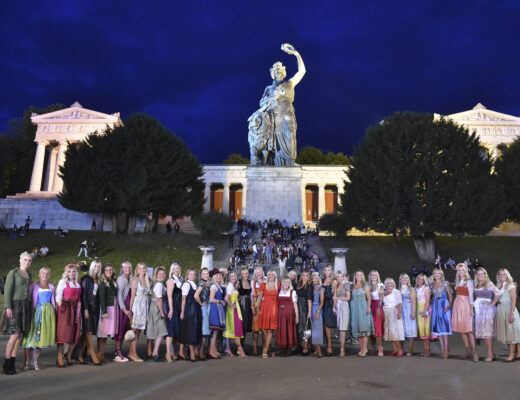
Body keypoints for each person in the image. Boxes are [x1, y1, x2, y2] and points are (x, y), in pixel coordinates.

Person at [2, 252, 32, 374]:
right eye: (25, 260)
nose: (27, 262)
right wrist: (7, 307)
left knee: (19, 335)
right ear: (20, 260)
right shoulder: (13, 273)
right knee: (14, 335)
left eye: (29, 260)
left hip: (25, 306)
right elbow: (7, 291)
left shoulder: (29, 274)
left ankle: (12, 362)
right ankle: (7, 362)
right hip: (15, 306)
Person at [22, 267, 55, 371]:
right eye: (43, 273)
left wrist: (54, 311)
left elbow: (53, 300)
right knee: (32, 336)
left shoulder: (51, 286)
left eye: (47, 273)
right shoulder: (34, 286)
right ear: (39, 274)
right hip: (36, 312)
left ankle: (35, 360)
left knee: (42, 337)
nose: (45, 275)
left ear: (49, 275)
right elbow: (29, 299)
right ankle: (26, 361)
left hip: (47, 313)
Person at [56, 264, 82, 368]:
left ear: (76, 272)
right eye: (69, 271)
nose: (71, 273)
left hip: (76, 309)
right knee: (62, 334)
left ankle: (68, 355)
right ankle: (59, 357)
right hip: (65, 309)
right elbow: (58, 296)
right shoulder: (63, 282)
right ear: (66, 272)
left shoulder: (78, 282)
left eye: (73, 271)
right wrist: (62, 307)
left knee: (74, 333)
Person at [452, 263, 478, 361]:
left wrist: (471, 309)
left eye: (462, 270)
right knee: (462, 329)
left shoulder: (469, 282)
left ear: (466, 271)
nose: (461, 272)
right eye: (459, 270)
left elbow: (471, 296)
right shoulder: (458, 281)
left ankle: (474, 352)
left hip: (466, 305)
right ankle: (467, 351)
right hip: (458, 305)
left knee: (469, 329)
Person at [473, 267, 500, 362]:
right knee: (484, 334)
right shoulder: (476, 284)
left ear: (485, 274)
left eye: (482, 274)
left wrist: (492, 303)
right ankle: (491, 353)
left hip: (487, 310)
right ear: (476, 275)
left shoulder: (488, 283)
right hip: (479, 310)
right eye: (478, 274)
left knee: (488, 332)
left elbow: (498, 293)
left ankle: (490, 354)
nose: (480, 275)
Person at [78, 260, 101, 365]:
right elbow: (83, 296)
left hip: (95, 309)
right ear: (92, 267)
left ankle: (77, 355)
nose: (97, 268)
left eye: (99, 266)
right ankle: (93, 354)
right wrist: (85, 309)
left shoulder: (98, 279)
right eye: (95, 266)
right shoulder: (86, 278)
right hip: (87, 308)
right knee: (88, 331)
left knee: (85, 333)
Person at [496, 268, 520, 362]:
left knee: (511, 333)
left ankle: (511, 355)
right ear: (498, 276)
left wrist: (511, 314)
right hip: (501, 309)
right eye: (500, 274)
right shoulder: (498, 285)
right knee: (511, 332)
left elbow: (514, 301)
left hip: (509, 309)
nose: (502, 276)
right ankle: (518, 353)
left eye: (504, 274)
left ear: (507, 275)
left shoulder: (510, 286)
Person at [128, 262, 151, 362]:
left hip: (144, 307)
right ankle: (133, 353)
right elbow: (132, 296)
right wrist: (130, 309)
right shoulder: (135, 280)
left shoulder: (147, 280)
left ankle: (131, 353)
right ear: (137, 270)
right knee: (135, 331)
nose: (142, 270)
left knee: (138, 331)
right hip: (137, 307)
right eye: (140, 268)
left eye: (143, 268)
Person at [96, 263, 118, 363]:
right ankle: (99, 354)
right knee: (102, 333)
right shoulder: (103, 282)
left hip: (112, 308)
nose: (108, 272)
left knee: (106, 334)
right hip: (106, 309)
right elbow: (101, 298)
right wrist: (104, 311)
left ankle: (101, 353)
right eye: (106, 270)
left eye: (110, 270)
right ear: (103, 272)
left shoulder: (112, 281)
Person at [179, 269, 202, 361]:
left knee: (190, 330)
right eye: (190, 274)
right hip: (189, 310)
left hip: (194, 309)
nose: (192, 276)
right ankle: (191, 352)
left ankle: (184, 351)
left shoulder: (194, 285)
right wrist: (182, 312)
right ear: (187, 275)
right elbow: (183, 299)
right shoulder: (186, 284)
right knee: (190, 331)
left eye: (194, 274)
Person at [350, 270, 374, 356]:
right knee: (358, 330)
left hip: (363, 308)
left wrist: (368, 307)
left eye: (360, 275)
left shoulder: (365, 285)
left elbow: (369, 298)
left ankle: (364, 350)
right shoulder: (352, 285)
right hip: (354, 309)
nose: (359, 276)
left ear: (363, 276)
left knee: (364, 329)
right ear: (355, 276)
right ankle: (362, 348)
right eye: (357, 275)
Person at [223, 271, 247, 358]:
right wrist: (231, 305)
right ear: (229, 278)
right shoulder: (230, 286)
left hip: (236, 308)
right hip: (232, 310)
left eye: (234, 275)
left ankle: (235, 349)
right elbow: (226, 298)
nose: (233, 277)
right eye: (231, 276)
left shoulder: (234, 285)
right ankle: (240, 350)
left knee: (236, 328)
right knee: (237, 329)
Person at [430, 268, 453, 358]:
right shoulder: (431, 285)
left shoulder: (445, 283)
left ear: (441, 274)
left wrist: (450, 305)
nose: (437, 275)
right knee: (438, 328)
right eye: (435, 273)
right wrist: (431, 305)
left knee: (444, 327)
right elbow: (432, 296)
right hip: (435, 305)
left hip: (443, 305)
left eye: (438, 273)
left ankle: (446, 348)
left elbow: (450, 295)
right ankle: (442, 348)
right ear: (433, 275)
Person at [258, 270, 280, 358]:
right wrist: (257, 309)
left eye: (272, 274)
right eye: (269, 274)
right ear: (267, 276)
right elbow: (259, 298)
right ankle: (271, 350)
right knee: (264, 330)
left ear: (275, 276)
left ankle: (265, 350)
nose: (271, 276)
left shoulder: (278, 284)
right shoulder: (263, 284)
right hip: (264, 307)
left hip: (274, 308)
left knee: (270, 329)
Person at [148, 267, 168, 362]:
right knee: (162, 329)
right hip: (156, 307)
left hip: (155, 306)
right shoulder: (159, 285)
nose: (162, 275)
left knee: (159, 330)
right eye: (160, 274)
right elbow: (159, 299)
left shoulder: (160, 284)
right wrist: (162, 312)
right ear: (156, 275)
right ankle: (154, 352)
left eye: (163, 274)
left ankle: (155, 352)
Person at [275, 276, 298, 356]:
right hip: (280, 315)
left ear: (289, 283)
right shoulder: (279, 291)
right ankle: (282, 349)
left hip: (289, 316)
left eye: (287, 282)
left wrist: (297, 316)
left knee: (289, 331)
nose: (285, 284)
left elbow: (295, 305)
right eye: (284, 282)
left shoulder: (293, 292)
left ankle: (289, 349)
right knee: (281, 331)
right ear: (282, 283)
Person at [114, 262, 132, 362]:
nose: (127, 269)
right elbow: (119, 294)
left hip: (127, 308)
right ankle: (117, 352)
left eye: (129, 267)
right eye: (125, 267)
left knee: (124, 330)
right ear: (122, 268)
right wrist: (124, 309)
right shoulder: (121, 278)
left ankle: (119, 350)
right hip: (123, 308)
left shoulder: (129, 278)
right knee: (120, 331)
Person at [165, 262, 183, 360]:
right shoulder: (171, 281)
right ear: (171, 270)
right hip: (172, 306)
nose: (176, 270)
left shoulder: (181, 279)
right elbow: (169, 296)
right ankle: (168, 353)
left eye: (178, 268)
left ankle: (173, 352)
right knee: (171, 329)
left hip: (179, 306)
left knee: (176, 330)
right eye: (174, 268)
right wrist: (171, 310)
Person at [382, 278, 404, 357]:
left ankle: (400, 350)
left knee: (394, 332)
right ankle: (395, 349)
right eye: (387, 283)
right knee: (389, 332)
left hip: (393, 312)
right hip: (386, 313)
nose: (389, 285)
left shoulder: (396, 292)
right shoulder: (384, 292)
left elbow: (400, 303)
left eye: (391, 283)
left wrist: (399, 313)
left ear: (393, 284)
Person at [208, 269, 226, 359]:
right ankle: (211, 352)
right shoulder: (214, 286)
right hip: (215, 309)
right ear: (214, 277)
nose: (219, 277)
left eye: (220, 275)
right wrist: (220, 301)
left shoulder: (218, 286)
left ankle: (214, 350)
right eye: (217, 276)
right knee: (214, 332)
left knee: (216, 332)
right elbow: (211, 299)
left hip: (218, 309)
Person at [194, 268, 211, 360]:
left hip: (205, 307)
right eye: (204, 274)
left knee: (203, 330)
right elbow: (196, 295)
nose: (206, 275)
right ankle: (200, 351)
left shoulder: (205, 283)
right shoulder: (201, 283)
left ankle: (198, 351)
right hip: (203, 307)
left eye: (207, 274)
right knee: (204, 330)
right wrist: (201, 303)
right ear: (201, 275)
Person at [398, 273, 417, 356]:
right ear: (400, 279)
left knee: (411, 330)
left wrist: (413, 312)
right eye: (403, 278)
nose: (405, 279)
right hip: (400, 311)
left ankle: (410, 350)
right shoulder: (398, 289)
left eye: (406, 278)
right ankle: (400, 349)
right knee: (401, 330)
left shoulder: (411, 289)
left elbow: (413, 302)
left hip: (409, 310)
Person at [333, 271, 351, 357]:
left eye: (341, 277)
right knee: (339, 328)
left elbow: (348, 298)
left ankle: (342, 348)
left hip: (344, 306)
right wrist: (334, 306)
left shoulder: (346, 285)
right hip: (337, 306)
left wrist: (337, 298)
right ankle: (341, 346)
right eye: (338, 277)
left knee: (342, 329)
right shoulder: (336, 285)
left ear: (344, 277)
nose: (339, 278)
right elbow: (334, 297)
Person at [415, 273, 432, 356]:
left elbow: (428, 301)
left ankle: (428, 350)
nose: (420, 280)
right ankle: (425, 349)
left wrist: (425, 311)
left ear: (424, 280)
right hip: (419, 309)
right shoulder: (416, 288)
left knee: (426, 330)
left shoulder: (426, 288)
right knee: (422, 330)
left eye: (422, 279)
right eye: (419, 279)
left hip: (425, 308)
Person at [296, 271, 312, 355]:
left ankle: (306, 345)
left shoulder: (308, 287)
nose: (305, 277)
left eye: (307, 276)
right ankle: (299, 345)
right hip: (298, 307)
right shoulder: (298, 285)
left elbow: (309, 300)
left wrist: (309, 311)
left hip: (304, 307)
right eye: (303, 275)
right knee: (299, 327)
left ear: (309, 277)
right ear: (301, 276)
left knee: (306, 327)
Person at [368, 270, 385, 357]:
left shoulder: (380, 285)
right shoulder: (367, 285)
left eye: (375, 275)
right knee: (371, 328)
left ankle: (380, 348)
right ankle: (372, 347)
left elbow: (381, 298)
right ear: (370, 276)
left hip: (377, 307)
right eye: (372, 275)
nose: (374, 276)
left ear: (377, 276)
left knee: (378, 328)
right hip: (369, 307)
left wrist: (378, 308)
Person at [321, 265, 336, 356]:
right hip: (321, 304)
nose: (327, 272)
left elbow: (334, 295)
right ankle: (322, 345)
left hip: (329, 305)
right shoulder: (321, 281)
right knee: (322, 325)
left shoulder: (333, 281)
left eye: (329, 270)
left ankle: (329, 345)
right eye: (325, 270)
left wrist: (334, 306)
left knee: (327, 325)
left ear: (331, 271)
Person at [251, 267, 265, 355]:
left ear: (263, 272)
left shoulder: (266, 280)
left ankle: (265, 347)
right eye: (257, 272)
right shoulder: (253, 282)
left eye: (260, 272)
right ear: (255, 274)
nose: (259, 273)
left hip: (265, 305)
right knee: (256, 328)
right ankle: (255, 347)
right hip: (256, 305)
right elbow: (252, 295)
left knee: (265, 327)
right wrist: (253, 306)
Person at [310, 272, 324, 357]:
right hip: (311, 308)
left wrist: (318, 312)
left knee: (318, 330)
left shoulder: (321, 289)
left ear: (319, 279)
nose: (314, 280)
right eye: (313, 278)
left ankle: (319, 351)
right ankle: (316, 349)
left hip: (317, 309)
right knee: (313, 330)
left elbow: (322, 302)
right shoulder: (311, 288)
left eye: (316, 278)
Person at [237, 268, 252, 344]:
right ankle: (239, 344)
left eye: (246, 273)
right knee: (242, 323)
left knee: (246, 324)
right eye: (243, 273)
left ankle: (242, 344)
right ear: (241, 274)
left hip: (248, 303)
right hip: (242, 303)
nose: (245, 275)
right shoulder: (238, 282)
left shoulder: (250, 281)